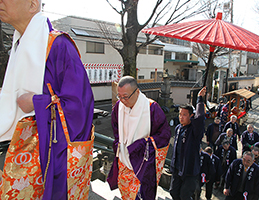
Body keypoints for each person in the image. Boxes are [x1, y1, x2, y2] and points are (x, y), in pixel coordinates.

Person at [0, 1, 94, 199]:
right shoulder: (19, 45)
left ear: (33, 5)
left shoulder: (58, 45)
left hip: (53, 154)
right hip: (23, 147)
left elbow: (80, 106)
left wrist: (37, 102)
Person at [107, 76, 171, 200]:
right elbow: (116, 129)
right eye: (119, 96)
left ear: (137, 91)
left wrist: (144, 145)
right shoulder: (119, 107)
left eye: (125, 96)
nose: (122, 100)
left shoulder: (152, 108)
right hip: (124, 161)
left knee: (142, 195)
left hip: (143, 162)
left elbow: (164, 135)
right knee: (125, 193)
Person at [169, 87, 206, 200]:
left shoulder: (195, 130)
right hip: (177, 168)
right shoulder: (178, 128)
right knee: (173, 192)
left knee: (185, 195)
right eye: (180, 114)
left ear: (191, 116)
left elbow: (200, 118)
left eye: (184, 114)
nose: (181, 117)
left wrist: (200, 99)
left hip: (189, 171)